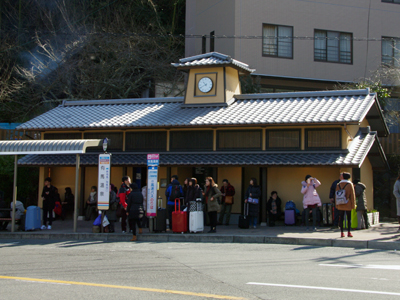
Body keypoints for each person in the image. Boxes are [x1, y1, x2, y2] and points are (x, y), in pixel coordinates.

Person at [336, 172, 356, 238]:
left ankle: (341, 233)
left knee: (341, 218)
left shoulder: (338, 184)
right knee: (348, 218)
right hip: (348, 202)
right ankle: (349, 232)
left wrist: (337, 204)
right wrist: (353, 204)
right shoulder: (350, 184)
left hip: (340, 202)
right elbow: (352, 195)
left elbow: (336, 195)